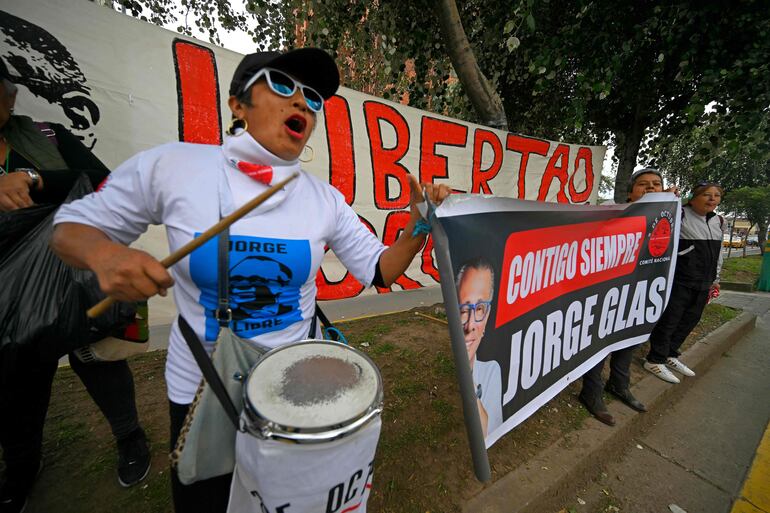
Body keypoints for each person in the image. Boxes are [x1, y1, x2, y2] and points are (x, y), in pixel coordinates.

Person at [50, 47, 451, 512]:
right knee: (206, 502)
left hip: (294, 393)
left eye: (313, 99)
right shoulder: (173, 167)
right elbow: (70, 229)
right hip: (203, 388)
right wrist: (105, 255)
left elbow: (381, 269)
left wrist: (418, 225)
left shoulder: (324, 200)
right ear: (237, 104)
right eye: (282, 85)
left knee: (284, 501)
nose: (301, 102)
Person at [0, 71, 150, 513]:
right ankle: (21, 470)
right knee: (14, 380)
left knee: (96, 357)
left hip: (66, 275)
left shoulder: (45, 135)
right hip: (7, 291)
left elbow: (101, 179)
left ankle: (130, 436)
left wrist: (32, 178)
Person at [579, 168, 678, 426]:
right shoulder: (614, 212)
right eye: (643, 184)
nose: (650, 188)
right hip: (609, 292)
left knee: (631, 337)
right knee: (601, 342)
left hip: (641, 292)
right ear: (630, 192)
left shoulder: (669, 215)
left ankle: (619, 385)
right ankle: (591, 393)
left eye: (656, 184)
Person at [644, 181, 724, 383]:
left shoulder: (718, 222)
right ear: (693, 197)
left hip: (704, 282)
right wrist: (668, 197)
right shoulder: (679, 214)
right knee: (670, 320)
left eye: (716, 195)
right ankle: (655, 359)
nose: (712, 199)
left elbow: (719, 253)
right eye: (707, 194)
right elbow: (653, 217)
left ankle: (670, 354)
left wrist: (716, 279)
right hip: (680, 279)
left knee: (690, 319)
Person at [456, 258, 503, 438]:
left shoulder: (491, 372)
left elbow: (486, 437)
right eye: (463, 310)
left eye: (480, 309)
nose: (470, 325)